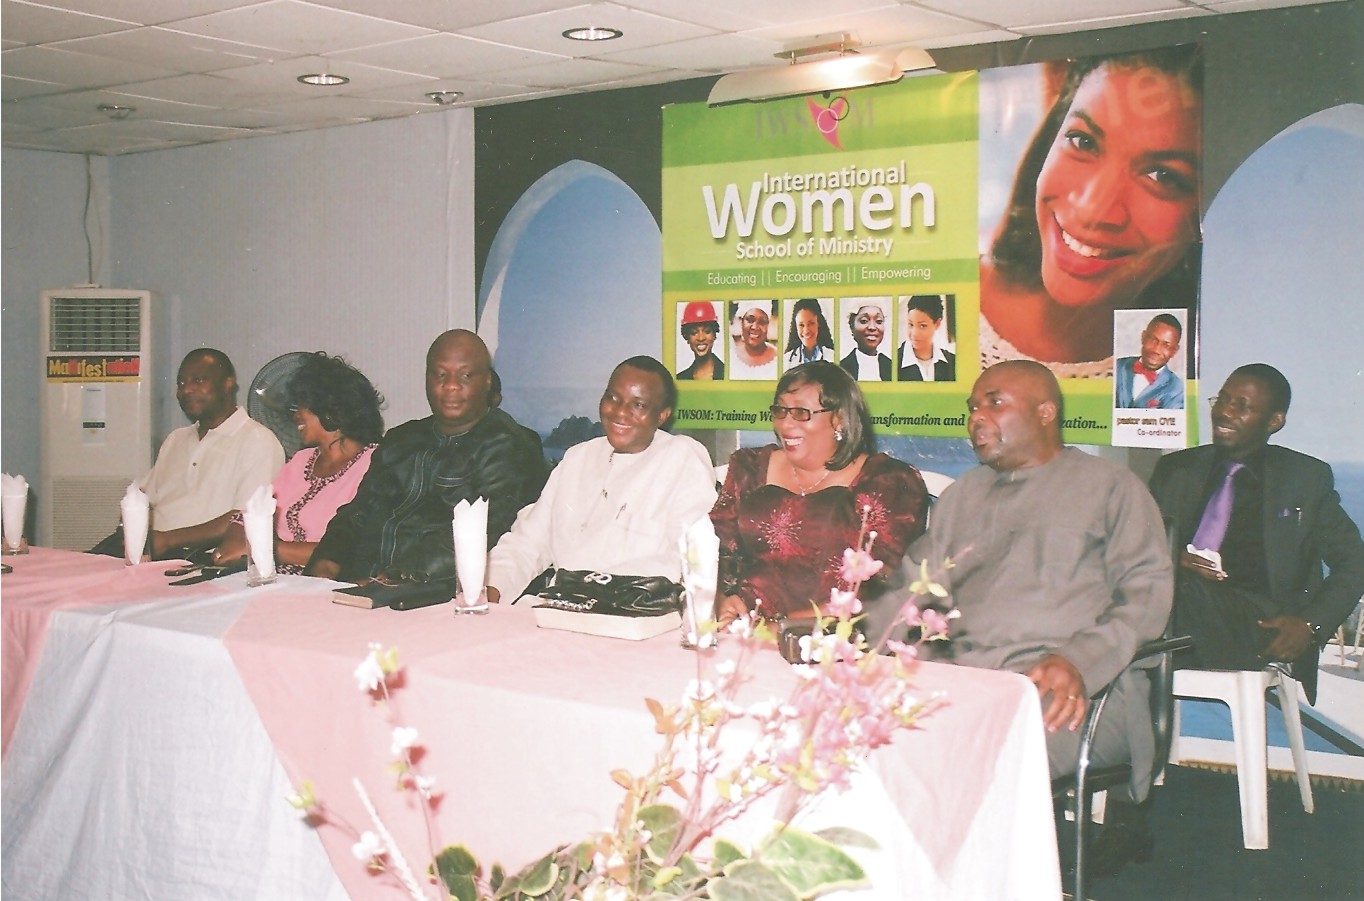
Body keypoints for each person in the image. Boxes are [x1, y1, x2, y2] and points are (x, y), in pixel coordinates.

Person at [899, 360, 1171, 870]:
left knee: (968, 758)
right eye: (972, 407)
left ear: (1046, 412)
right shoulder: (961, 497)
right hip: (967, 685)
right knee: (868, 741)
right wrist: (828, 627)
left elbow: (1146, 597)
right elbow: (912, 590)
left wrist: (1078, 661)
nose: (976, 417)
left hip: (1071, 694)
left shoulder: (1113, 489)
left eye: (994, 403)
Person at [980, 47, 1202, 378]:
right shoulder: (952, 303)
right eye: (1083, 142)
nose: (1091, 209)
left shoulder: (1196, 362)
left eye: (1163, 176)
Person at [1149, 364, 1364, 704]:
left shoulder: (1303, 479)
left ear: (1274, 421)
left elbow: (1354, 560)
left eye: (1242, 406)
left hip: (1257, 628)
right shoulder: (1176, 470)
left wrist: (1309, 625)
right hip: (1176, 617)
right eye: (1222, 400)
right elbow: (1136, 545)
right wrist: (1171, 557)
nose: (1224, 412)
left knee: (1165, 591)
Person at [308, 330, 545, 584]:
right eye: (440, 374)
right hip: (358, 585)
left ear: (487, 381)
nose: (451, 385)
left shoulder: (511, 446)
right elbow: (359, 512)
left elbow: (484, 535)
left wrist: (390, 580)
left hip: (435, 592)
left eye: (465, 375)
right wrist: (328, 559)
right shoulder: (401, 439)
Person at [485, 357, 717, 603]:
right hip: (559, 607)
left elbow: (687, 558)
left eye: (638, 405)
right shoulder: (578, 457)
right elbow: (528, 542)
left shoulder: (682, 458)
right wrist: (489, 590)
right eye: (612, 398)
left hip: (634, 610)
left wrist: (592, 587)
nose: (620, 412)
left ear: (662, 415)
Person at [711, 361, 927, 622]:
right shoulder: (750, 468)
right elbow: (718, 552)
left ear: (839, 419)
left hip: (837, 633)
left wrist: (785, 628)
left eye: (801, 412)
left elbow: (882, 586)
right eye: (780, 410)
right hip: (745, 627)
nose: (785, 424)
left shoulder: (886, 483)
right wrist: (722, 599)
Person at [92, 348, 285, 560]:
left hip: (195, 557)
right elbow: (141, 497)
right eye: (181, 383)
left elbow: (245, 517)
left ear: (228, 384)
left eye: (199, 380)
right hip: (148, 550)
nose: (187, 390)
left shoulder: (258, 441)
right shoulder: (176, 439)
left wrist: (167, 540)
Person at [213, 353, 383, 573]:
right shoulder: (302, 460)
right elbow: (248, 514)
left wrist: (267, 549)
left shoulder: (375, 463)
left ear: (331, 409)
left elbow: (355, 549)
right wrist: (234, 544)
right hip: (274, 577)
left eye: (302, 406)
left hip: (323, 583)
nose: (295, 416)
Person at [1115, 314, 1184, 409]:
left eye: (1166, 345)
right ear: (1143, 337)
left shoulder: (1177, 389)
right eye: (1153, 340)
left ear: (1174, 351)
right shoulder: (1117, 366)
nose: (1156, 350)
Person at [896, 294, 956, 382]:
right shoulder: (892, 363)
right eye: (911, 324)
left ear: (937, 324)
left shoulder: (953, 363)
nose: (914, 333)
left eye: (922, 326)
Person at [839, 299, 892, 381]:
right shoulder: (842, 368)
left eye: (878, 321)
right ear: (852, 326)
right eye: (864, 321)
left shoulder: (891, 366)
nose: (872, 327)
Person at [728, 300, 777, 380]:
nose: (755, 327)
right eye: (750, 320)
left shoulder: (779, 359)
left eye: (762, 322)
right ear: (742, 323)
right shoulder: (730, 358)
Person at [677, 301, 725, 380]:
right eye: (694, 332)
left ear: (714, 335)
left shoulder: (729, 374)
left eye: (707, 331)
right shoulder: (680, 378)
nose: (701, 338)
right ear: (687, 337)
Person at [784, 298, 834, 366]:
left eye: (811, 323)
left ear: (818, 323)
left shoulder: (832, 357)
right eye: (801, 325)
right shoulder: (786, 361)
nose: (806, 331)